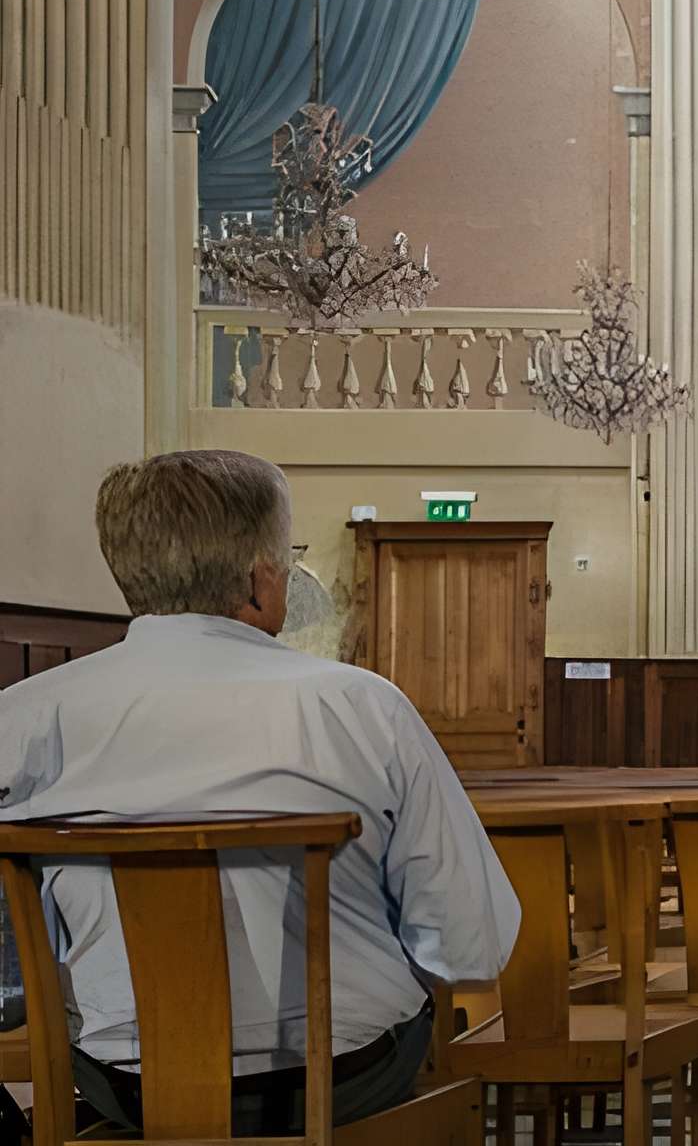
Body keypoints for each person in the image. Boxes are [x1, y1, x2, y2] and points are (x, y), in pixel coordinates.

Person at [0, 451, 522, 1136]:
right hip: (343, 1079)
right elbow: (470, 947)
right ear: (258, 580)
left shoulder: (23, 716)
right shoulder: (362, 707)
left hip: (129, 1085)